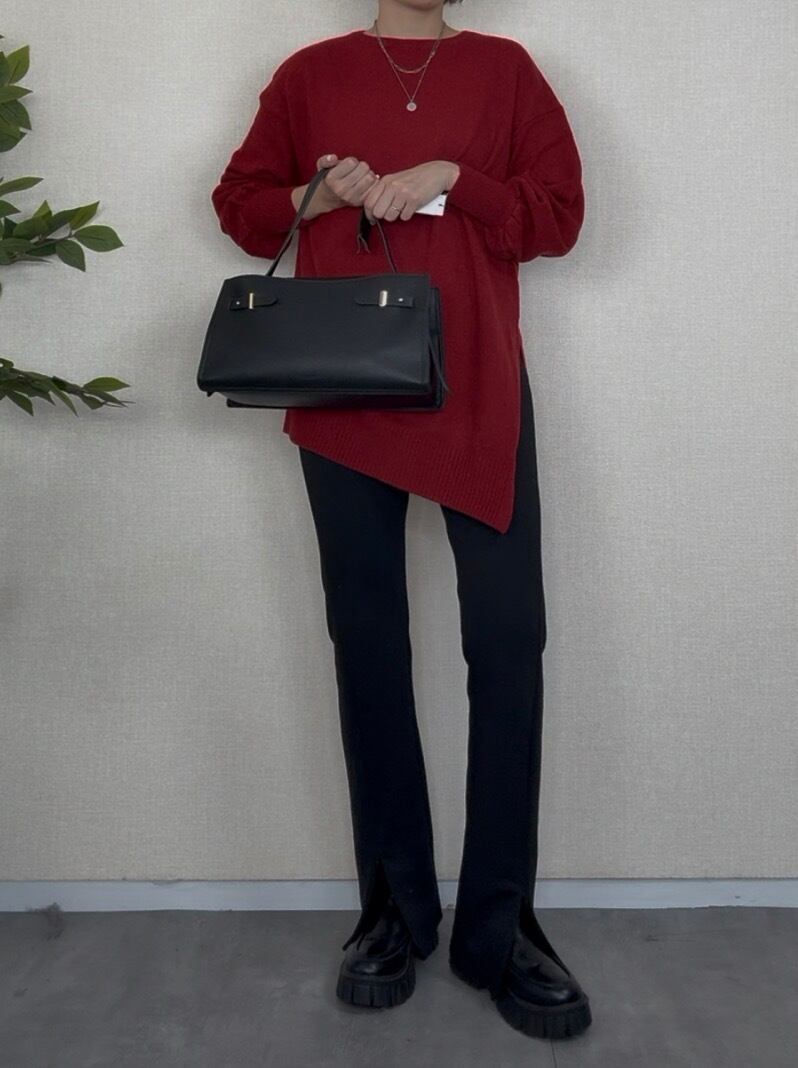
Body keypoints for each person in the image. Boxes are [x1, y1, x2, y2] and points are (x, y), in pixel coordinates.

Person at [211, 0, 589, 1042]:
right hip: (344, 392)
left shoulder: (508, 70)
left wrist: (451, 179)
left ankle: (503, 926)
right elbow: (242, 208)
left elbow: (559, 218)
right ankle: (391, 910)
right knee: (368, 645)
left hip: (478, 388)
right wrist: (320, 191)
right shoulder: (310, 73)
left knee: (508, 643)